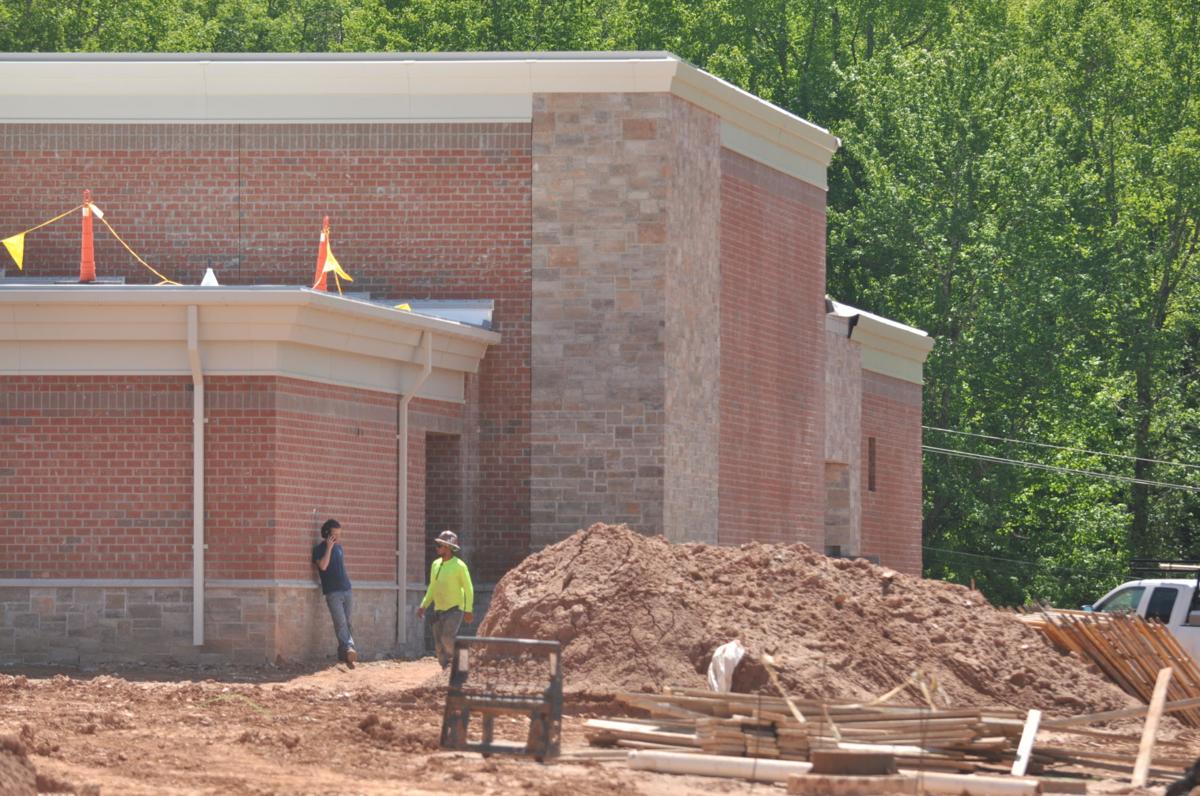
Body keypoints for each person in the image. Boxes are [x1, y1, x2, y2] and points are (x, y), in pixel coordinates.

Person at [416, 530, 474, 668]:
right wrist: (423, 605)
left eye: (439, 545)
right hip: (438, 610)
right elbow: (432, 587)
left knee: (447, 638)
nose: (436, 548)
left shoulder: (459, 566)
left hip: (455, 609)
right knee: (439, 646)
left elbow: (468, 588)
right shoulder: (436, 564)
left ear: (448, 548)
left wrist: (468, 610)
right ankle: (446, 672)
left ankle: (463, 664)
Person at [312, 518, 357, 668]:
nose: (337, 537)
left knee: (347, 621)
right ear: (327, 534)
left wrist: (334, 547)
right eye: (334, 534)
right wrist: (329, 548)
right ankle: (349, 647)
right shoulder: (319, 550)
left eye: (339, 534)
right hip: (333, 592)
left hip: (346, 589)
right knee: (340, 622)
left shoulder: (340, 548)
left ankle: (344, 653)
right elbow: (323, 566)